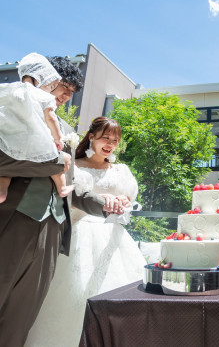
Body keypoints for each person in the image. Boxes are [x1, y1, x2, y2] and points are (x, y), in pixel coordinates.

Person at [0, 57, 126, 347]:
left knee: (22, 317)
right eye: (63, 87)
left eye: (71, 93)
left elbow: (72, 187)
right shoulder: (12, 108)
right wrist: (56, 162)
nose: (66, 96)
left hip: (53, 233)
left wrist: (104, 204)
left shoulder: (65, 129)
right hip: (11, 222)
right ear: (47, 79)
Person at [26, 117, 146, 347]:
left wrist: (123, 202)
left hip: (113, 239)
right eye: (105, 138)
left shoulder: (121, 170)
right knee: (73, 295)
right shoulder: (74, 165)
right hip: (78, 235)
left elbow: (130, 204)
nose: (110, 143)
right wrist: (102, 200)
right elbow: (67, 199)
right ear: (91, 137)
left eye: (115, 140)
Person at [0, 53, 73, 202]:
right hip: (34, 145)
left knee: (4, 175)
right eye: (51, 85)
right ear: (41, 78)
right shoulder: (44, 97)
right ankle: (63, 188)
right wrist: (59, 139)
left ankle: (1, 192)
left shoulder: (9, 90)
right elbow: (51, 118)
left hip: (7, 142)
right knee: (57, 164)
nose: (49, 89)